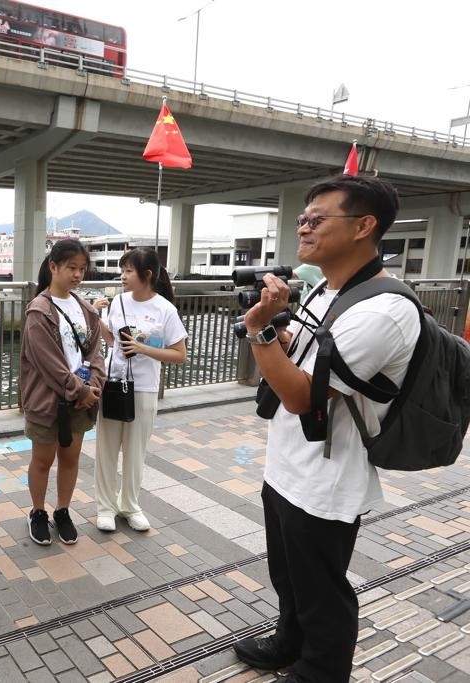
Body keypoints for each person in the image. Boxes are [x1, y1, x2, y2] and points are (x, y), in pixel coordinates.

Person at [233, 175, 418, 682]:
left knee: (322, 590)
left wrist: (258, 328)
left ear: (364, 226)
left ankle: (320, 671)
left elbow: (300, 396)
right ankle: (289, 641)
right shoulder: (324, 288)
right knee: (289, 575)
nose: (304, 228)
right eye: (302, 219)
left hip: (328, 477)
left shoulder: (385, 310)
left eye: (317, 219)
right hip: (287, 464)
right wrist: (276, 328)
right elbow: (298, 356)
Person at [93, 248, 187, 533]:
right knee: (106, 449)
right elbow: (112, 340)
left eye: (128, 271)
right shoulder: (119, 302)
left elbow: (179, 354)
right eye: (122, 270)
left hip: (144, 387)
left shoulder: (165, 309)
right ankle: (105, 508)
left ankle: (130, 506)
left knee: (135, 452)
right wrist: (96, 318)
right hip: (113, 383)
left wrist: (143, 348)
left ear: (147, 275)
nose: (122, 276)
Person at [19, 239, 105, 545]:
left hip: (80, 400)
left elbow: (95, 352)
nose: (78, 275)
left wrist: (94, 385)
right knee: (42, 460)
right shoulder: (39, 311)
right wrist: (80, 390)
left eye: (82, 269)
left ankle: (63, 510)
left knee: (70, 458)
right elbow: (49, 364)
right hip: (48, 401)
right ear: (53, 267)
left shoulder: (85, 309)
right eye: (71, 268)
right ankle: (37, 512)